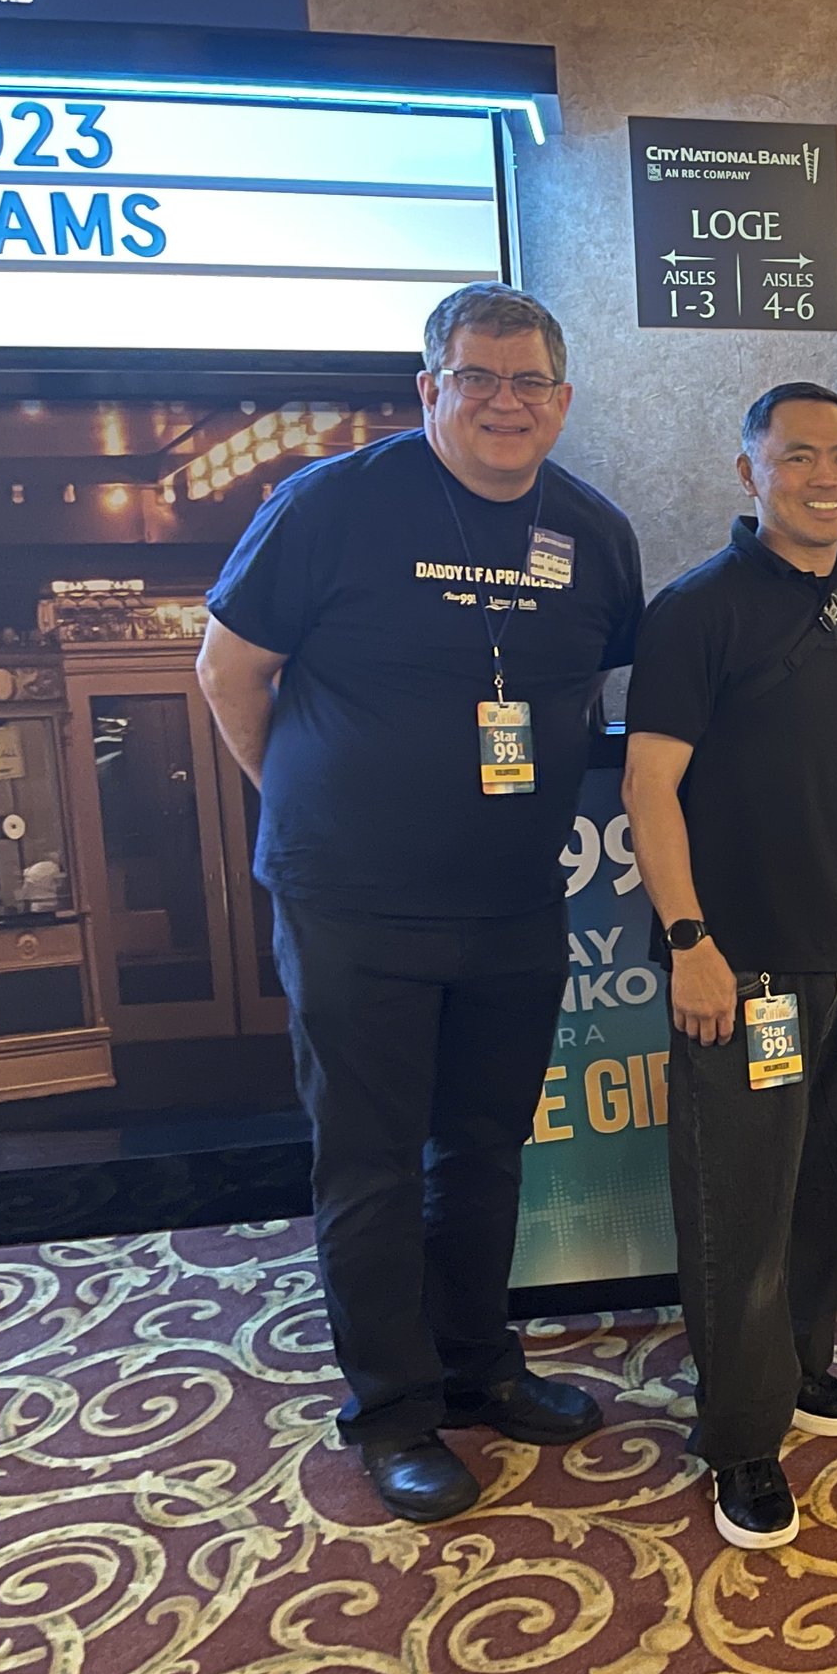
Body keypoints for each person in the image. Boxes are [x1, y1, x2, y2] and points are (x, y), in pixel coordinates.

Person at [196, 283, 644, 1523]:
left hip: (513, 901)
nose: (504, 401)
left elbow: (591, 691)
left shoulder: (593, 532)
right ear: (429, 389)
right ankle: (392, 1411)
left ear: (562, 399)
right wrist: (311, 804)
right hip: (353, 905)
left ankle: (479, 1365)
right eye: (476, 377)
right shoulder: (330, 506)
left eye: (528, 380)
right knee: (374, 1165)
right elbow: (229, 671)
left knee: (485, 1151)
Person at [621, 381, 837, 1555]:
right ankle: (741, 1438)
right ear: (749, 473)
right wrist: (689, 944)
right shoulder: (694, 611)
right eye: (796, 456)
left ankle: (800, 1367)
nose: (824, 476)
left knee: (833, 1186)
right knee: (739, 1210)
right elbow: (649, 786)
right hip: (741, 968)